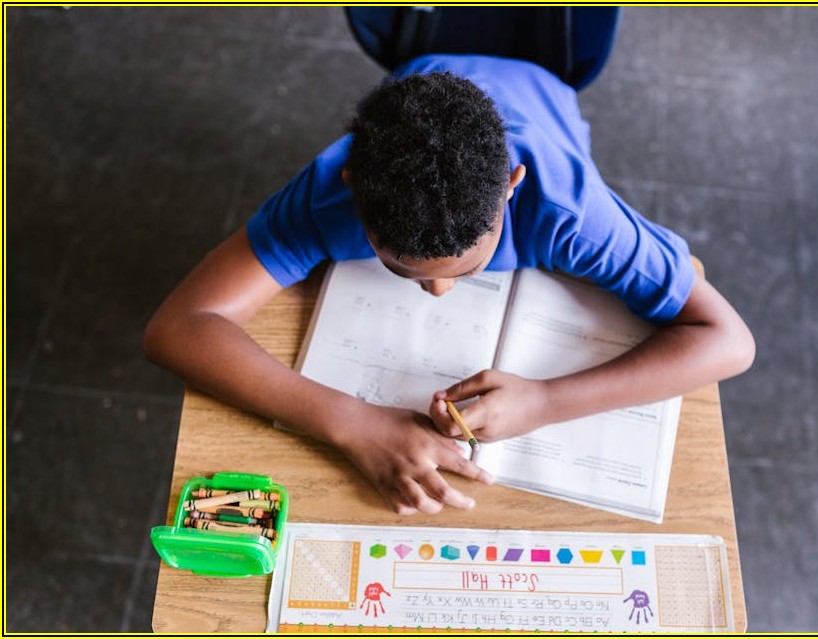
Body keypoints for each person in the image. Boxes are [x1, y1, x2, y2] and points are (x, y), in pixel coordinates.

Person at [144, 54, 755, 516]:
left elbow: (728, 340)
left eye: (463, 271)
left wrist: (547, 401)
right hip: (421, 77)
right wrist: (351, 421)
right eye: (403, 271)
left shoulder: (568, 208)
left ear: (513, 186)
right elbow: (178, 328)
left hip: (543, 81)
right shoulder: (332, 189)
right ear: (354, 188)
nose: (438, 294)